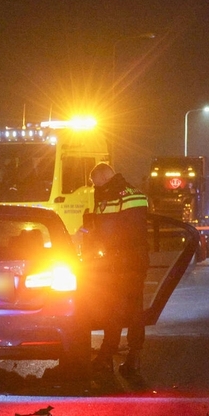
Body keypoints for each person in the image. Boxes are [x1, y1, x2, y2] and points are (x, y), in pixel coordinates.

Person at [85, 162, 150, 383]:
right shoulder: (134, 193)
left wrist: (97, 246)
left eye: (95, 182)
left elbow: (114, 232)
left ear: (104, 178)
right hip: (135, 261)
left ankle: (106, 357)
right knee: (135, 310)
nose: (94, 187)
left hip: (121, 263)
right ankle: (133, 358)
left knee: (113, 309)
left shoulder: (114, 195)